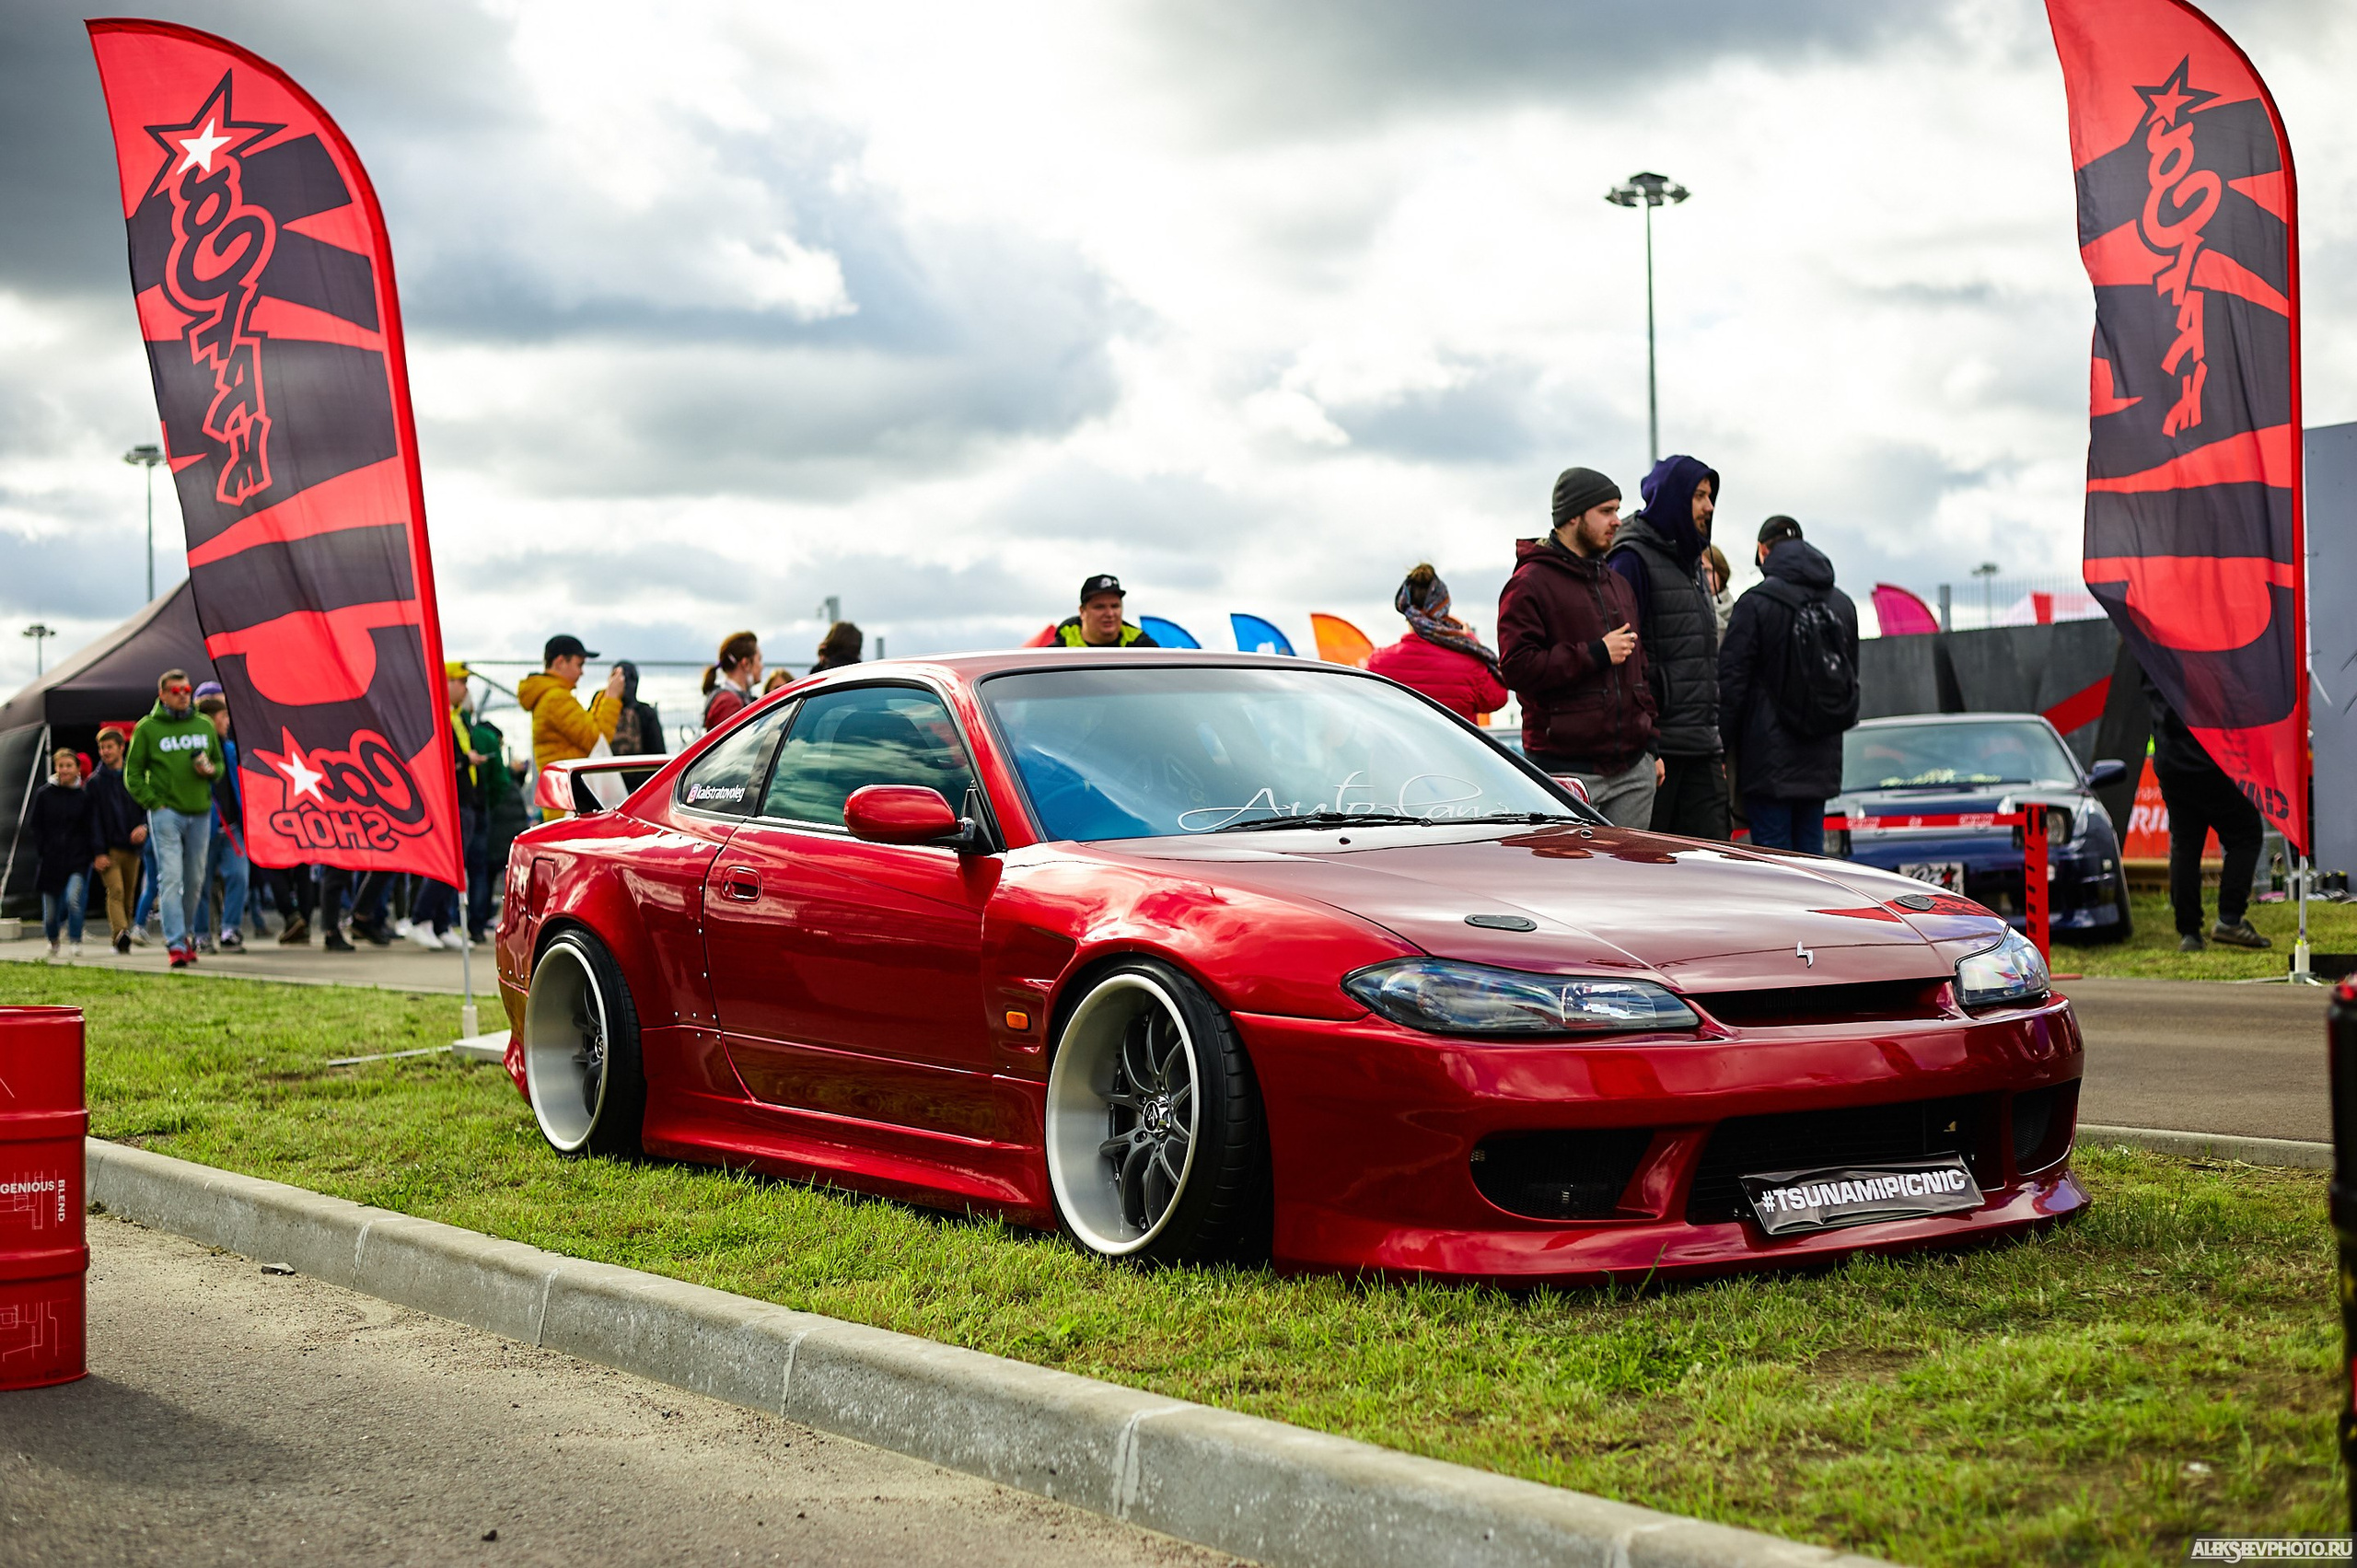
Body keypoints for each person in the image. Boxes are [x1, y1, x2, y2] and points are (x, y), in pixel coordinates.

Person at [1497, 466, 1661, 828]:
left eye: (1617, 510)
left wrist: (1652, 748)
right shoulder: (1528, 584)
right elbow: (1516, 668)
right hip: (1565, 773)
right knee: (1572, 870)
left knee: (1628, 869)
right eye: (1606, 511)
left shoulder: (1618, 584)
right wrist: (1596, 653)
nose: (1617, 520)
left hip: (1634, 771)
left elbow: (1641, 669)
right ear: (1573, 516)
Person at [1716, 517, 1860, 854]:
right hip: (1822, 758)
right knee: (1812, 858)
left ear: (1763, 551)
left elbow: (1732, 685)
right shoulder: (1842, 605)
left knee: (1776, 863)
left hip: (1768, 760)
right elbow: (1850, 675)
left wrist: (1720, 748)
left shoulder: (1755, 603)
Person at [1608, 454, 1727, 839]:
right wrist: (1648, 745)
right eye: (1699, 496)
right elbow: (1625, 659)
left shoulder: (1693, 562)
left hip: (1702, 744)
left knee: (1713, 861)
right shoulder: (1631, 559)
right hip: (1660, 750)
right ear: (1674, 498)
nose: (1709, 507)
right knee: (1656, 863)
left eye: (1710, 496)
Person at [2145, 670, 2270, 952]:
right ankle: (2229, 917)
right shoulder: (2203, 656)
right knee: (2246, 835)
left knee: (2185, 845)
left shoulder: (2154, 656)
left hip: (2172, 762)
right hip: (2212, 759)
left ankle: (2189, 932)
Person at [124, 668, 224, 969]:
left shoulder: (203, 724)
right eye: (176, 691)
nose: (183, 696)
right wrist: (154, 804)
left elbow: (219, 764)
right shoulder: (147, 728)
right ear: (163, 694)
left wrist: (211, 771)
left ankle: (187, 934)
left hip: (200, 812)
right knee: (170, 877)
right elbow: (132, 774)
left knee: (195, 880)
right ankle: (176, 943)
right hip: (166, 813)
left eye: (187, 690)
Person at [1365, 564, 1508, 723]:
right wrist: (1470, 641)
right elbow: (1498, 698)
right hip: (1453, 741)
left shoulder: (1378, 663)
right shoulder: (1471, 666)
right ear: (1443, 609)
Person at [29, 748, 102, 959]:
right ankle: (53, 940)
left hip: (77, 859)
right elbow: (35, 825)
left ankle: (76, 939)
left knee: (73, 899)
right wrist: (44, 849)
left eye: (69, 766)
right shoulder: (44, 794)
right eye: (61, 766)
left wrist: (95, 853)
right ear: (56, 768)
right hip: (51, 860)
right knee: (51, 913)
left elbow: (92, 827)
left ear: (78, 769)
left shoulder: (84, 797)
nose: (65, 770)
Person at [192, 681, 249, 952]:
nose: (228, 722)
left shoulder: (230, 749)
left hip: (232, 827)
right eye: (224, 717)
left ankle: (230, 930)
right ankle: (201, 934)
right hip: (202, 827)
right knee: (200, 884)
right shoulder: (193, 753)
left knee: (239, 875)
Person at [522, 633, 625, 775]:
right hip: (569, 783)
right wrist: (612, 697)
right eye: (579, 664)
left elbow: (589, 730)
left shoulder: (551, 696)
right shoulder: (556, 699)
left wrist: (605, 696)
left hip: (563, 781)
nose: (582, 672)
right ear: (560, 662)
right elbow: (598, 742)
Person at [87, 725, 147, 954]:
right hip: (108, 849)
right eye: (101, 748)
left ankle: (124, 936)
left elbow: (146, 806)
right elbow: (92, 821)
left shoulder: (134, 777)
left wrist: (144, 826)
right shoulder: (94, 783)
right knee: (116, 891)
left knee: (129, 895)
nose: (105, 752)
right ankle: (120, 934)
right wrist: (98, 852)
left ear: (122, 748)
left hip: (132, 847)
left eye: (109, 747)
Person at [1054, 575, 1160, 648]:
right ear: (1082, 612)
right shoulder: (1058, 653)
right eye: (1100, 607)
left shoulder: (1145, 649)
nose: (1110, 614)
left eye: (1115, 606)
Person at [701, 632, 763, 728]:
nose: (762, 666)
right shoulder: (729, 703)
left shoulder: (730, 697)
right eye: (759, 659)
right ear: (746, 664)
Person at [1702, 543, 1736, 636]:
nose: (1702, 577)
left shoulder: (1740, 611)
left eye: (1707, 571)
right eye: (1697, 571)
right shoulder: (1690, 613)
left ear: (1720, 573)